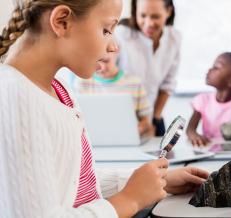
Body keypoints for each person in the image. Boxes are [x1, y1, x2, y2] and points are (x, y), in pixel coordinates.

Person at [0, 0, 208, 217]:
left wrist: (152, 182)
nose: (114, 47)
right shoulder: (15, 96)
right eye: (106, 30)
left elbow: (75, 181)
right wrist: (130, 199)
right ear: (62, 22)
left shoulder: (60, 91)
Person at [116, 0, 180, 136]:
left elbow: (168, 84)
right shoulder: (121, 35)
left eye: (155, 16)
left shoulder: (174, 38)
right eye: (143, 15)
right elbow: (106, 76)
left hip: (154, 118)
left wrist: (154, 119)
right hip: (123, 118)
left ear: (168, 11)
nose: (149, 23)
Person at [76, 49, 154, 138]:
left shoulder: (134, 83)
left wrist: (136, 131)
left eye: (106, 61)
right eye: (97, 61)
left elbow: (147, 123)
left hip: (126, 141)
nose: (102, 67)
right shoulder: (82, 83)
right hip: (93, 142)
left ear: (116, 53)